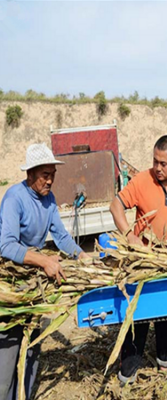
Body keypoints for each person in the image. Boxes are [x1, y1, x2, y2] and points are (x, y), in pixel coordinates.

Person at [110, 135, 167, 383]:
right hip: (142, 263)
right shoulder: (142, 180)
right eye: (154, 161)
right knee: (137, 319)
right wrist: (129, 236)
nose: (157, 168)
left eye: (163, 163)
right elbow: (115, 206)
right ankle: (127, 373)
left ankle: (165, 362)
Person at [0, 143, 88, 400]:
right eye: (44, 175)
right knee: (8, 353)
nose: (50, 180)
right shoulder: (15, 198)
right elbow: (5, 244)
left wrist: (82, 256)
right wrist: (44, 261)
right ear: (30, 174)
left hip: (33, 286)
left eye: (53, 174)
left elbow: (60, 235)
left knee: (32, 350)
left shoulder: (48, 201)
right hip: (12, 287)